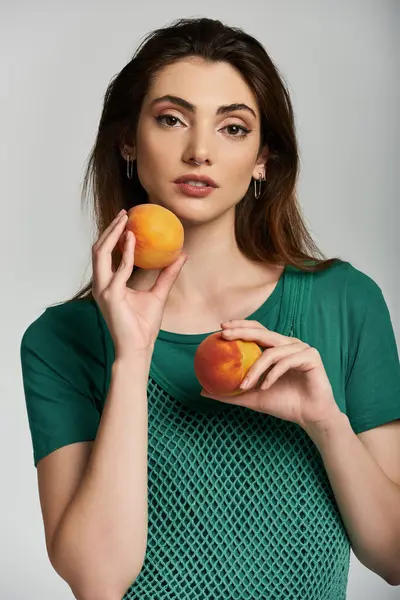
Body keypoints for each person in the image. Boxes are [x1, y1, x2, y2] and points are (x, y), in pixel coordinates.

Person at [20, 16, 400, 600]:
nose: (198, 151)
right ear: (128, 140)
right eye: (171, 120)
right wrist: (131, 359)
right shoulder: (60, 339)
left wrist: (327, 424)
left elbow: (395, 557)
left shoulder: (346, 302)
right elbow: (97, 580)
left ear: (262, 159)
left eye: (232, 128)